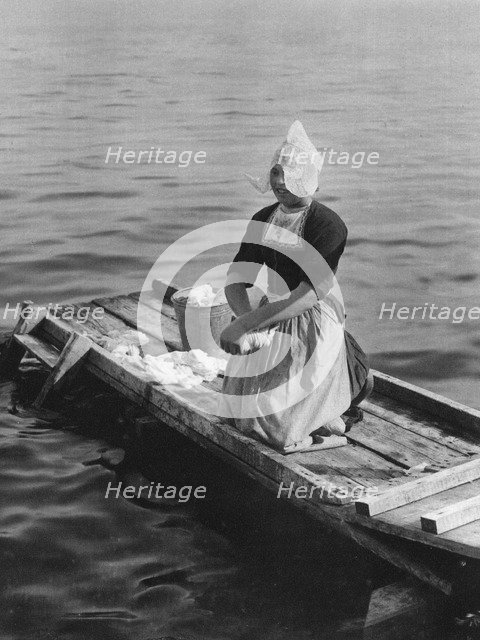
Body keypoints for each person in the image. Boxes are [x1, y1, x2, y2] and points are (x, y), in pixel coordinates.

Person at [219, 121, 370, 454]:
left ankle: (347, 387)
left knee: (278, 431)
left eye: (287, 174)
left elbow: (308, 294)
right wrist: (251, 328)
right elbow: (235, 281)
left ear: (308, 177)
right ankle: (337, 391)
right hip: (270, 312)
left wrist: (247, 325)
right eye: (275, 172)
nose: (278, 182)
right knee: (236, 412)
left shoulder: (327, 225)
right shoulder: (263, 218)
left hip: (311, 314)